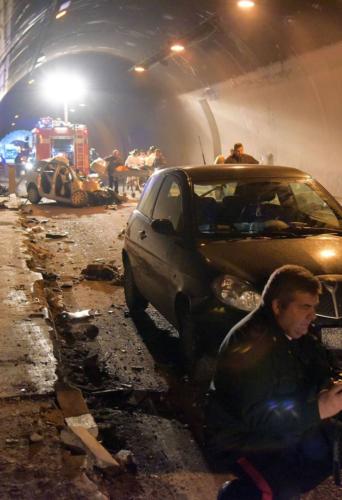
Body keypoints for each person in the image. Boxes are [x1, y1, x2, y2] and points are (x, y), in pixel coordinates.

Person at [205, 265, 342, 499]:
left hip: (282, 429)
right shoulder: (250, 346)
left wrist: (331, 385)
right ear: (278, 306)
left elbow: (319, 366)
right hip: (242, 438)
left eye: (314, 308)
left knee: (329, 453)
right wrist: (319, 409)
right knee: (281, 490)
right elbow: (258, 417)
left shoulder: (296, 333)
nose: (312, 315)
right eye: (305, 307)